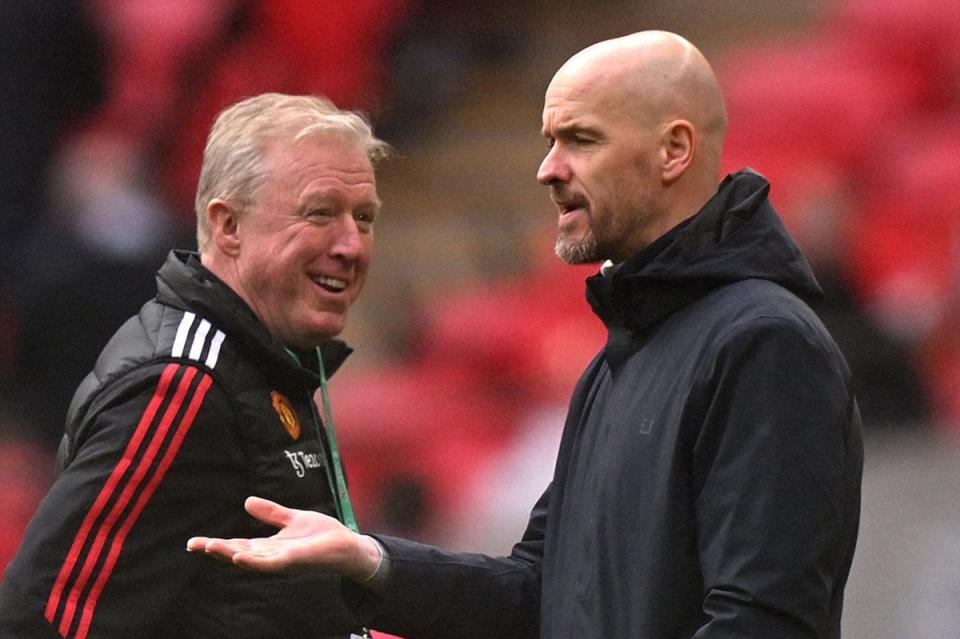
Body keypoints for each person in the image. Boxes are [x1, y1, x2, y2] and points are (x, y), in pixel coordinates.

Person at [188, 31, 864, 638]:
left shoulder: (765, 344)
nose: (549, 169)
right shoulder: (617, 363)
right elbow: (540, 591)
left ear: (674, 151)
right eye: (548, 142)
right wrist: (370, 560)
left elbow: (764, 623)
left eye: (581, 140)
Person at [0, 93, 389, 638]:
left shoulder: (265, 363)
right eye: (320, 212)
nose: (352, 245)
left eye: (365, 218)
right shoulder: (185, 382)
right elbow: (41, 623)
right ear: (228, 226)